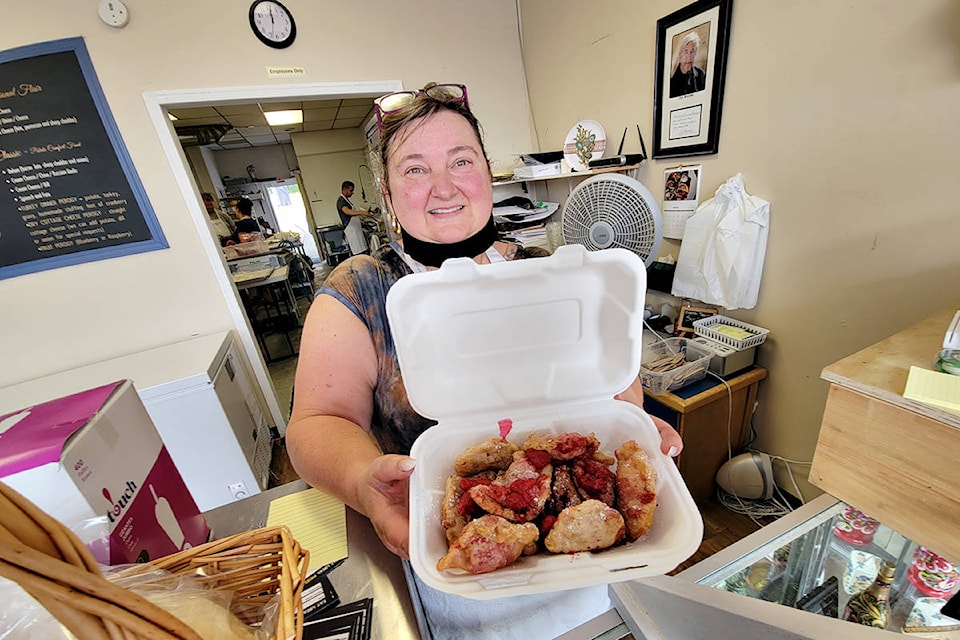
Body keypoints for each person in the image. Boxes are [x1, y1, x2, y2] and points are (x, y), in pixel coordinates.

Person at [285, 83, 683, 560]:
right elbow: (317, 421)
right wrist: (363, 484)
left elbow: (617, 389)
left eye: (461, 161)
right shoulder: (363, 289)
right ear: (388, 193)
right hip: (452, 558)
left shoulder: (550, 271)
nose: (444, 186)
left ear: (487, 173)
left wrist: (635, 426)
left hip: (590, 555)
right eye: (415, 169)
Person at [336, 180, 371, 255]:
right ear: (345, 189)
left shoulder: (347, 200)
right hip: (352, 231)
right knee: (359, 254)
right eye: (351, 190)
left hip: (356, 231)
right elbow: (347, 211)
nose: (352, 192)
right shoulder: (341, 201)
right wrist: (362, 212)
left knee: (363, 252)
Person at [669, 30, 707, 98]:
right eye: (686, 51)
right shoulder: (672, 80)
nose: (689, 56)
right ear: (680, 54)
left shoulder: (701, 75)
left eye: (692, 52)